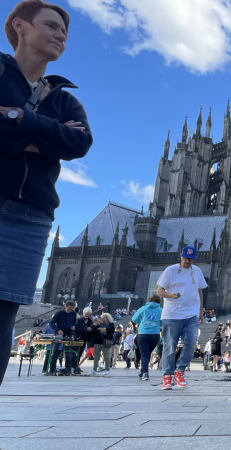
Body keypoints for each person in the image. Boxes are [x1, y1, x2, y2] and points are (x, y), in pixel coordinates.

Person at [0, 0, 91, 386]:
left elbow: (78, 144)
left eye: (65, 32)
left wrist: (16, 117)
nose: (60, 36)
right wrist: (43, 135)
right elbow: (60, 139)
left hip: (29, 216)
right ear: (19, 25)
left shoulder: (64, 98)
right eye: (52, 26)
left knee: (4, 318)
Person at [156, 245, 207, 390]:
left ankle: (180, 371)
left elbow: (199, 291)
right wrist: (170, 295)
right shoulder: (170, 270)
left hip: (191, 314)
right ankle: (167, 376)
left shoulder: (197, 271)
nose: (188, 261)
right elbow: (159, 291)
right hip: (172, 314)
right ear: (181, 256)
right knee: (170, 346)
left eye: (191, 259)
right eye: (186, 258)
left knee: (191, 343)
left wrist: (200, 311)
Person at [47, 300, 77, 375]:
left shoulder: (74, 313)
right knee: (54, 353)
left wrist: (74, 326)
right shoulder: (59, 313)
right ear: (65, 307)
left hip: (68, 335)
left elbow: (75, 322)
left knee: (69, 353)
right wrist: (58, 329)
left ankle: (68, 369)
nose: (70, 311)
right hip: (58, 334)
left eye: (71, 309)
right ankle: (52, 370)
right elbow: (51, 323)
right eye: (68, 309)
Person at [74, 307, 94, 374]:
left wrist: (91, 329)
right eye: (86, 314)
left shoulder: (91, 321)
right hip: (78, 339)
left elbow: (92, 329)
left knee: (80, 353)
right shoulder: (79, 320)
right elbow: (76, 329)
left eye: (88, 314)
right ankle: (74, 366)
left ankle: (76, 366)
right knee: (76, 353)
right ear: (83, 313)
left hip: (86, 339)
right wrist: (85, 329)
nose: (87, 315)